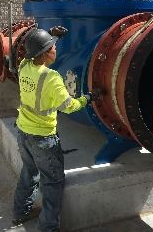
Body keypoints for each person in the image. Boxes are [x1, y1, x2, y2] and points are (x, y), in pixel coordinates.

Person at [12, 26, 92, 232]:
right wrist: (88, 98)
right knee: (53, 183)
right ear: (46, 53)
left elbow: (33, 50)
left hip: (23, 132)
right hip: (43, 139)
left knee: (29, 172)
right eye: (53, 47)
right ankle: (47, 228)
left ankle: (19, 213)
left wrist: (51, 34)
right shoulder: (52, 78)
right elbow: (69, 106)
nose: (56, 49)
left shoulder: (23, 66)